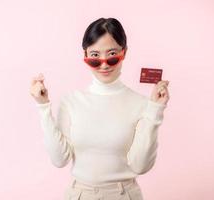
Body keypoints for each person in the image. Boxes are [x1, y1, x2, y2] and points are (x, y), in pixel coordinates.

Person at [29, 18, 170, 200]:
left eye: (112, 55)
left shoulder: (141, 103)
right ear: (85, 55)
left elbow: (141, 166)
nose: (104, 65)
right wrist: (43, 106)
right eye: (95, 57)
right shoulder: (71, 101)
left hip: (124, 194)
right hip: (80, 194)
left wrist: (155, 110)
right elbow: (59, 160)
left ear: (124, 52)